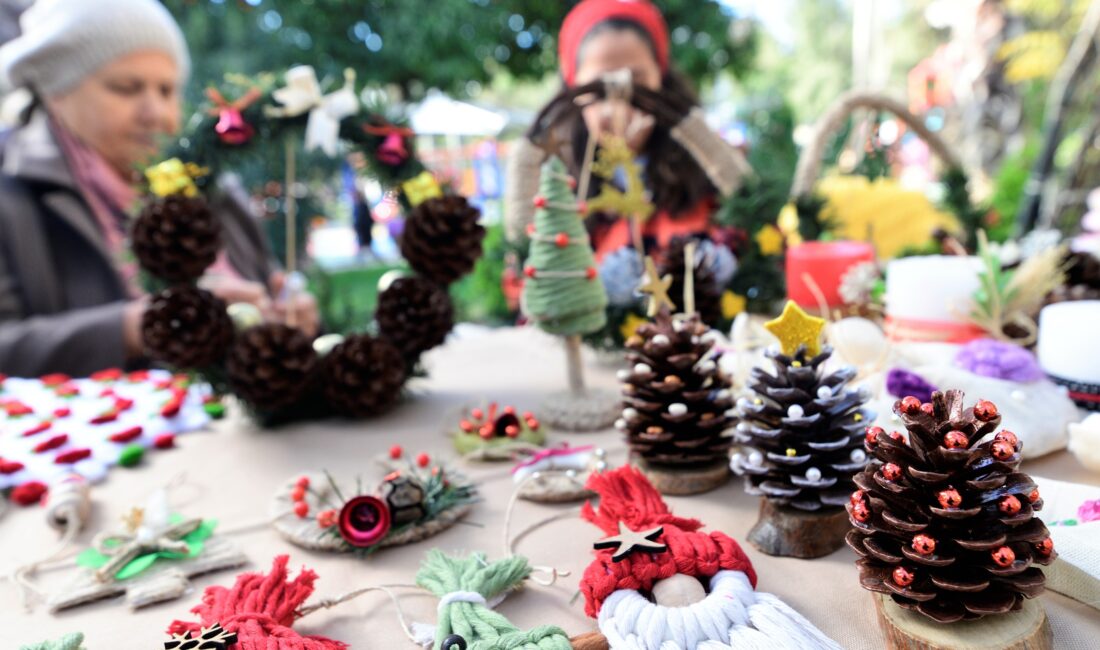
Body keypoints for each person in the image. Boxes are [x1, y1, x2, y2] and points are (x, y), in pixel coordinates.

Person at [0, 0, 318, 377]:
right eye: (126, 88)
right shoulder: (12, 193)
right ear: (58, 90)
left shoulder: (215, 189)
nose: (156, 114)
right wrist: (140, 327)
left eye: (168, 91)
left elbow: (273, 289)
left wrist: (292, 316)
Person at [505, 0, 749, 261]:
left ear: (660, 80)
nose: (618, 107)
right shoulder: (555, 192)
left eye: (637, 82)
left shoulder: (710, 176)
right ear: (575, 93)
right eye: (600, 88)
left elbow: (753, 228)